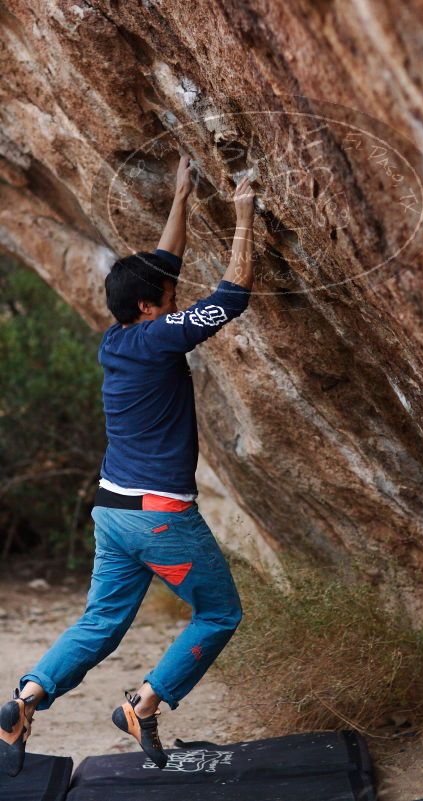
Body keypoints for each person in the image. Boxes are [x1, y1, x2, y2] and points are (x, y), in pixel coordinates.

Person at [0, 154, 256, 776]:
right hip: (158, 521)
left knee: (102, 622)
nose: (176, 295)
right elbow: (232, 295)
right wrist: (245, 217)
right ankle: (144, 703)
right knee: (221, 612)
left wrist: (182, 195)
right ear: (149, 307)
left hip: (113, 513)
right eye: (168, 297)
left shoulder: (118, 336)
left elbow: (161, 265)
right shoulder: (162, 334)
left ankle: (24, 698)